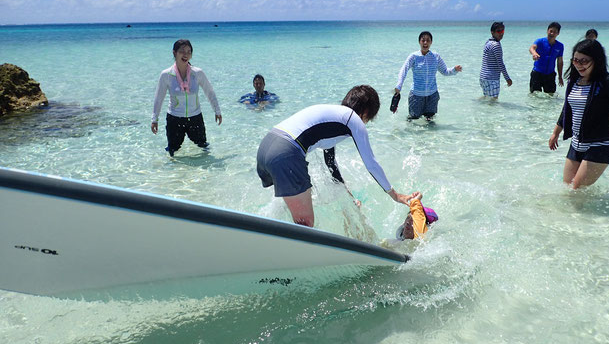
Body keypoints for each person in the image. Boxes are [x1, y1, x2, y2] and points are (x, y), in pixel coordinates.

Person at [256, 85, 413, 227]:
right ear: (365, 113)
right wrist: (395, 195)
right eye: (367, 119)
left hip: (266, 148)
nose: (364, 123)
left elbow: (331, 165)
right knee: (306, 223)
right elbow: (371, 164)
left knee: (288, 212)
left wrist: (348, 197)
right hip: (286, 154)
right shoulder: (353, 119)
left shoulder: (333, 117)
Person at [548, 39, 609, 188]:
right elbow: (567, 109)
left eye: (584, 61)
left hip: (600, 145)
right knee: (567, 188)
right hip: (576, 144)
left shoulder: (608, 82)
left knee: (576, 190)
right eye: (575, 60)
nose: (578, 65)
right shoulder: (574, 80)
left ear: (597, 60)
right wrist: (555, 133)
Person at [151, 39, 222, 156]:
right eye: (182, 51)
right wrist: (154, 119)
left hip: (195, 118)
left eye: (189, 52)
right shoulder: (166, 75)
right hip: (174, 119)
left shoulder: (197, 73)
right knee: (173, 152)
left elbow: (209, 92)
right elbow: (159, 98)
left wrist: (217, 111)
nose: (186, 55)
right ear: (174, 53)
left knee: (204, 148)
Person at [394, 31, 462, 120]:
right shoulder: (414, 56)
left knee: (430, 122)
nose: (425, 43)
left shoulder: (436, 57)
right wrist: (399, 85)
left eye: (428, 40)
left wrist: (454, 70)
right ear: (419, 42)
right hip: (416, 96)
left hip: (432, 96)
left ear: (431, 42)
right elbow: (404, 70)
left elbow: (445, 71)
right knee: (413, 121)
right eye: (423, 40)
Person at [479, 21, 512, 98]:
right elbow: (501, 64)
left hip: (483, 77)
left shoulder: (488, 42)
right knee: (493, 101)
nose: (501, 33)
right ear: (492, 32)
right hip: (492, 78)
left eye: (502, 31)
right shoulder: (496, 45)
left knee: (486, 98)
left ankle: (476, 107)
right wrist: (507, 78)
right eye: (498, 31)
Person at [529, 22, 564, 94]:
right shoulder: (540, 41)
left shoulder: (560, 46)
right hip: (537, 73)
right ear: (547, 31)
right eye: (551, 31)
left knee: (550, 96)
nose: (552, 33)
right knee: (534, 95)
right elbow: (532, 48)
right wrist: (534, 53)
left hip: (550, 75)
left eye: (555, 32)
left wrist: (560, 77)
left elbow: (560, 62)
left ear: (558, 33)